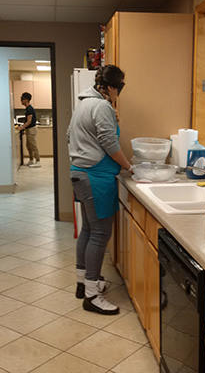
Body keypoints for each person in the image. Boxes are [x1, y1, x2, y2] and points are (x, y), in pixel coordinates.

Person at [66, 65, 133, 315]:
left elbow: (69, 136)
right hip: (95, 175)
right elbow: (108, 141)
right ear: (113, 87)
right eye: (121, 87)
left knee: (89, 229)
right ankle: (92, 296)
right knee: (100, 234)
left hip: (80, 172)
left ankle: (84, 282)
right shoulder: (102, 105)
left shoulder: (83, 104)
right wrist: (129, 166)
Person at [16, 92, 41, 168]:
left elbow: (29, 121)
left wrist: (21, 127)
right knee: (28, 146)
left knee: (33, 145)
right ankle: (31, 160)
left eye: (22, 99)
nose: (21, 101)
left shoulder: (30, 109)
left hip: (32, 129)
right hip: (29, 129)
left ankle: (38, 161)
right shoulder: (27, 109)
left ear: (26, 100)